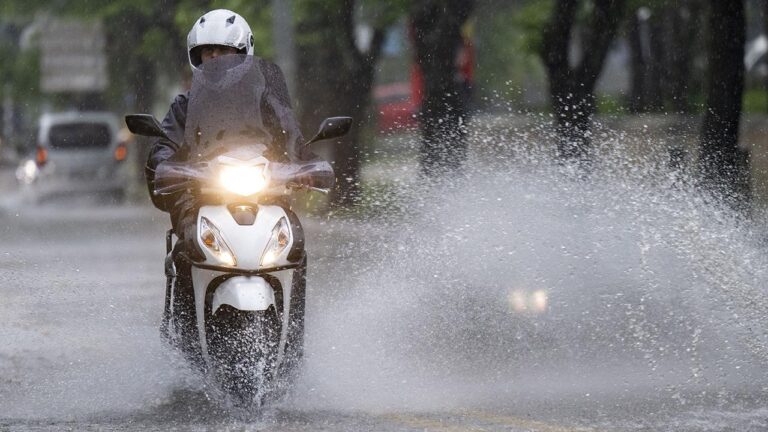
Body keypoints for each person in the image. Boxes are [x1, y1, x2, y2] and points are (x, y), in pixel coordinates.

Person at [144, 9, 311, 355]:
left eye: (224, 51)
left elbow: (293, 140)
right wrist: (162, 165)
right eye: (208, 52)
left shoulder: (267, 102)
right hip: (202, 198)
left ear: (243, 54)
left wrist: (308, 165)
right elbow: (165, 145)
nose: (215, 58)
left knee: (295, 241)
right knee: (186, 247)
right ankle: (186, 348)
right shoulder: (185, 106)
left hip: (264, 196)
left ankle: (293, 347)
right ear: (197, 58)